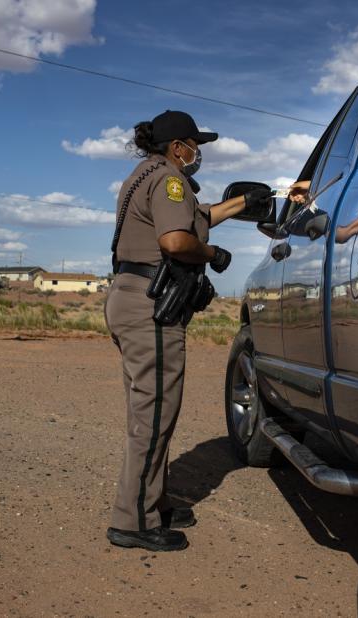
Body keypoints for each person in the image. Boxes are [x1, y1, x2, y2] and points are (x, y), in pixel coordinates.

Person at [104, 110, 270, 552]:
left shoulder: (145, 175)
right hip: (150, 305)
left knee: (149, 413)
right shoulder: (170, 179)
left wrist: (243, 203)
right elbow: (177, 240)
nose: (198, 153)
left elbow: (198, 216)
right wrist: (213, 254)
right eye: (195, 145)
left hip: (130, 296)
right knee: (154, 414)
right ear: (179, 147)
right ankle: (134, 519)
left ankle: (151, 502)